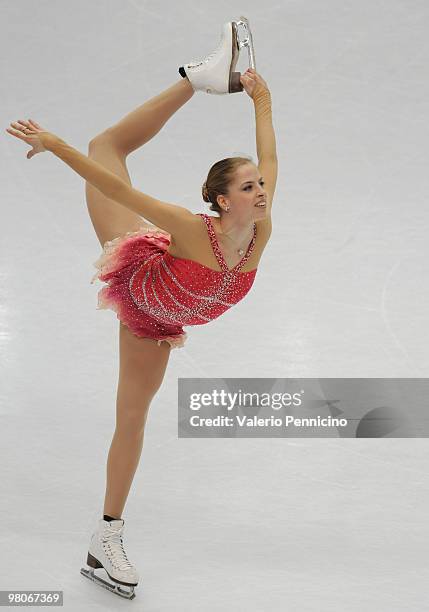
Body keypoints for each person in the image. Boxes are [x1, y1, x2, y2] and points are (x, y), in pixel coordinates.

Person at [5, 18, 278, 599]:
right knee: (106, 150)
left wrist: (261, 98)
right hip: (139, 273)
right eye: (250, 188)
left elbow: (269, 153)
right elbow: (124, 193)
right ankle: (193, 79)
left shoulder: (261, 229)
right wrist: (56, 147)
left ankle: (200, 77)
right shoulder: (187, 227)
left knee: (133, 419)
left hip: (162, 320)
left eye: (260, 186)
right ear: (222, 201)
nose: (262, 192)